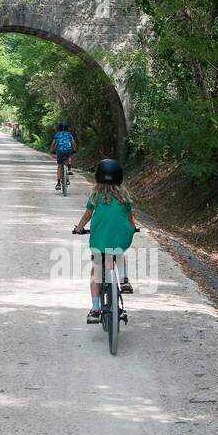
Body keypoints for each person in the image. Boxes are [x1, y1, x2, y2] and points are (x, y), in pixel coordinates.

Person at [71, 158, 138, 323]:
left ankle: (95, 309)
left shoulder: (96, 195)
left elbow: (87, 216)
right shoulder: (123, 196)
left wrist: (79, 228)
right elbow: (130, 219)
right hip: (120, 237)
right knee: (118, 250)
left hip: (100, 239)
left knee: (95, 272)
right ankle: (123, 279)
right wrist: (134, 228)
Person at [51, 121, 76, 189]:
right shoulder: (69, 134)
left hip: (59, 151)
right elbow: (73, 142)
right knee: (69, 156)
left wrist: (52, 150)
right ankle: (69, 168)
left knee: (59, 166)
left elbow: (53, 143)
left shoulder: (57, 134)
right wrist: (74, 149)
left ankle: (58, 183)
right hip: (68, 150)